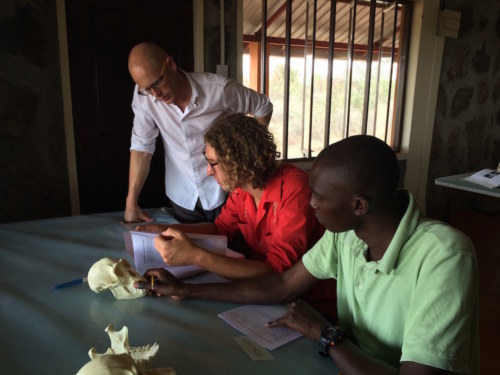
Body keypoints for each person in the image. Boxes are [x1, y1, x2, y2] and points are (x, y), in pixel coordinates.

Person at [135, 135, 479, 374]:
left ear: (358, 205)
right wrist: (187, 290)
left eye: (318, 197)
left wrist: (325, 334)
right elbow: (282, 286)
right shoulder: (346, 236)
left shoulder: (445, 256)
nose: (310, 203)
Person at [137, 113, 336, 317]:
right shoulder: (241, 191)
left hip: (309, 304)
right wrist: (167, 230)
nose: (208, 171)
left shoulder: (295, 189)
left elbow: (277, 272)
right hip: (261, 291)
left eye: (213, 163)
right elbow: (220, 229)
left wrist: (194, 256)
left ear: (238, 161)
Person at [126, 42, 273, 224]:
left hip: (227, 190)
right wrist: (131, 202)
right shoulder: (144, 97)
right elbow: (142, 145)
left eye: (157, 82)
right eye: (147, 89)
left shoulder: (219, 89)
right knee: (189, 247)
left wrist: (248, 156)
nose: (155, 93)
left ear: (171, 64)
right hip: (182, 194)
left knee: (232, 248)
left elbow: (263, 107)